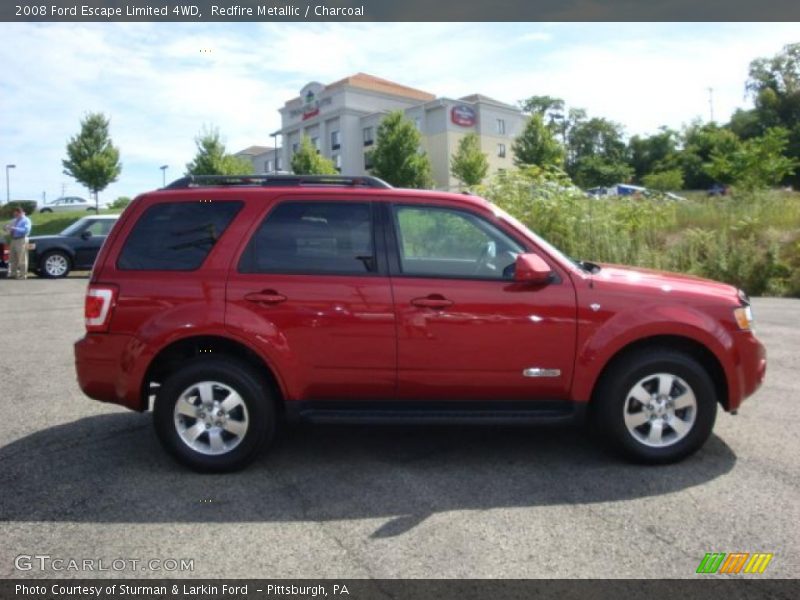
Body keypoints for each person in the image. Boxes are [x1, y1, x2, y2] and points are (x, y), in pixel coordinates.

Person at [4, 206, 32, 280]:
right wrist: (6, 227)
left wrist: (14, 228)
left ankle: (23, 275)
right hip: (13, 239)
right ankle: (13, 273)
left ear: (21, 213)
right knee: (12, 257)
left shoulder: (26, 220)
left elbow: (25, 230)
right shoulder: (15, 220)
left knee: (22, 258)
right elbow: (6, 227)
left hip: (22, 239)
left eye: (17, 214)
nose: (15, 216)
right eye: (15, 214)